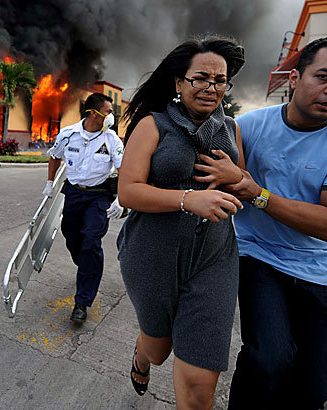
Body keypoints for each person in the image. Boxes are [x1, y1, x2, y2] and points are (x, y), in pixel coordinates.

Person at [219, 36, 327, 409]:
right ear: (294, 78)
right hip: (259, 256)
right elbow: (227, 186)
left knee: (314, 388)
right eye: (323, 76)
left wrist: (258, 194)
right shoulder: (249, 127)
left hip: (320, 269)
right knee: (268, 359)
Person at [116, 36, 246, 408]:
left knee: (199, 384)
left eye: (220, 80)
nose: (211, 87)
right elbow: (128, 192)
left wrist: (234, 176)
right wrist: (189, 199)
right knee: (159, 350)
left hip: (213, 258)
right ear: (178, 82)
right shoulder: (152, 125)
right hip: (152, 253)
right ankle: (142, 357)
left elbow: (240, 185)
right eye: (200, 78)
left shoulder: (231, 130)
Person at [43, 92, 124, 323]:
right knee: (71, 235)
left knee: (91, 240)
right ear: (93, 113)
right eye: (108, 112)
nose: (111, 117)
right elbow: (54, 156)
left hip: (98, 196)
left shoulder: (112, 140)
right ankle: (86, 264)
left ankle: (82, 302)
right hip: (74, 193)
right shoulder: (68, 135)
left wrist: (120, 199)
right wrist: (50, 183)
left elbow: (124, 169)